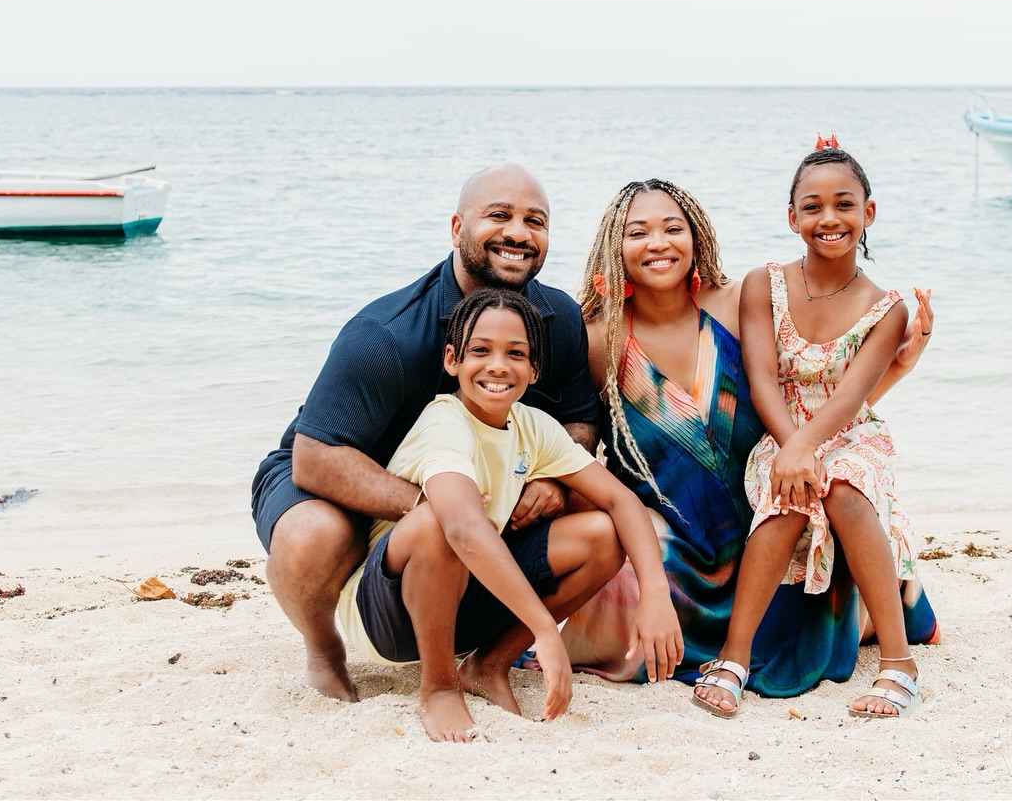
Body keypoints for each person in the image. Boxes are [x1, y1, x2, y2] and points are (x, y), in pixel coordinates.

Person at [554, 177, 930, 697]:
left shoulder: (737, 304)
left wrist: (897, 369)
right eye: (638, 232)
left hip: (771, 517)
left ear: (697, 237)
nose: (658, 243)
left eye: (672, 228)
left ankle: (895, 605)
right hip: (679, 546)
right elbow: (578, 453)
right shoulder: (599, 339)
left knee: (823, 555)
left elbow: (813, 405)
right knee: (621, 600)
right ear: (613, 247)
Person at [250, 165, 602, 701]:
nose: (519, 233)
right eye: (499, 215)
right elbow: (315, 457)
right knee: (310, 538)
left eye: (536, 221)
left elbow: (580, 420)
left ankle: (488, 659)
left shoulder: (558, 317)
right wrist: (432, 505)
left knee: (592, 517)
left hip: (470, 485)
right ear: (457, 226)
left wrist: (554, 481)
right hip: (344, 471)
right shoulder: (386, 334)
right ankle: (323, 647)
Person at [337, 288, 682, 742]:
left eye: (515, 354)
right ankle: (439, 687)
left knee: (603, 534)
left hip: (467, 596)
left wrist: (655, 593)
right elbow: (462, 526)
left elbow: (621, 502)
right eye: (480, 351)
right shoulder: (445, 424)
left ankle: (488, 665)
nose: (498, 365)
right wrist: (546, 630)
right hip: (389, 617)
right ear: (452, 360)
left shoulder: (532, 425)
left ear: (534, 369)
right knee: (437, 522)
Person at [693, 140, 937, 720]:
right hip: (781, 428)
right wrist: (792, 448)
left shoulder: (888, 308)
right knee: (788, 495)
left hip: (850, 431)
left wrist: (809, 448)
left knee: (848, 488)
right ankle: (734, 656)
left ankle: (899, 663)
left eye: (844, 205)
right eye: (813, 206)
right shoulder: (764, 284)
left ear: (868, 214)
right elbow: (760, 379)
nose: (829, 219)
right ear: (792, 216)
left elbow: (852, 397)